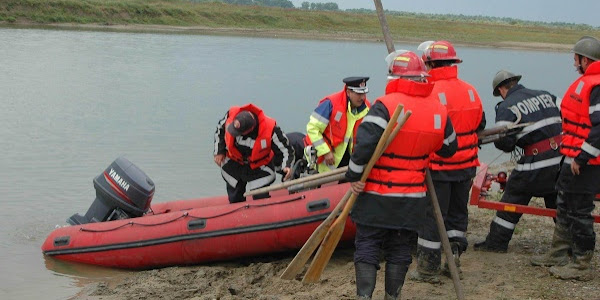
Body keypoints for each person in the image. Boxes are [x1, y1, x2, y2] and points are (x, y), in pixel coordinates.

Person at [346, 51, 457, 300]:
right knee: (399, 248)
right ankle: (392, 296)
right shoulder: (439, 109)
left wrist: (354, 175)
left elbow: (364, 145)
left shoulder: (385, 104)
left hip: (376, 193)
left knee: (368, 245)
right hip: (412, 197)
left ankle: (364, 297)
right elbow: (449, 148)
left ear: (394, 77)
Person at [409, 41, 486, 283]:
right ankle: (453, 260)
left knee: (433, 217)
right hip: (467, 166)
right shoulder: (471, 90)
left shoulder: (429, 91)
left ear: (429, 63)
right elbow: (480, 125)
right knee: (456, 215)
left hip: (439, 167)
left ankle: (428, 268)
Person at [529, 36, 600, 281]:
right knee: (564, 205)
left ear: (585, 60)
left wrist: (581, 159)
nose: (574, 63)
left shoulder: (596, 87)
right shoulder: (587, 82)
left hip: (586, 163)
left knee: (580, 212)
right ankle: (558, 253)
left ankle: (581, 265)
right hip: (572, 157)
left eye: (576, 59)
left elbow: (598, 129)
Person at [473, 70, 563, 254]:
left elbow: (505, 143)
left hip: (537, 163)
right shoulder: (545, 95)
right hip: (561, 159)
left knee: (514, 194)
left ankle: (496, 243)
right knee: (557, 201)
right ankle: (570, 244)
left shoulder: (507, 106)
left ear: (501, 89)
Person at [213, 103, 294, 203]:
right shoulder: (231, 115)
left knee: (260, 198)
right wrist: (219, 151)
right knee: (235, 198)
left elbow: (286, 150)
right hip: (234, 164)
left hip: (259, 167)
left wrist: (286, 166)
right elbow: (220, 130)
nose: (234, 134)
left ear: (250, 129)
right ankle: (237, 214)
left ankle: (262, 213)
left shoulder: (271, 129)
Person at [304, 77, 371, 173]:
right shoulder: (330, 104)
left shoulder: (367, 108)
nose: (362, 97)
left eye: (364, 93)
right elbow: (312, 128)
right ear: (348, 92)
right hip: (323, 161)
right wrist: (325, 152)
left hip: (348, 162)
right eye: (358, 94)